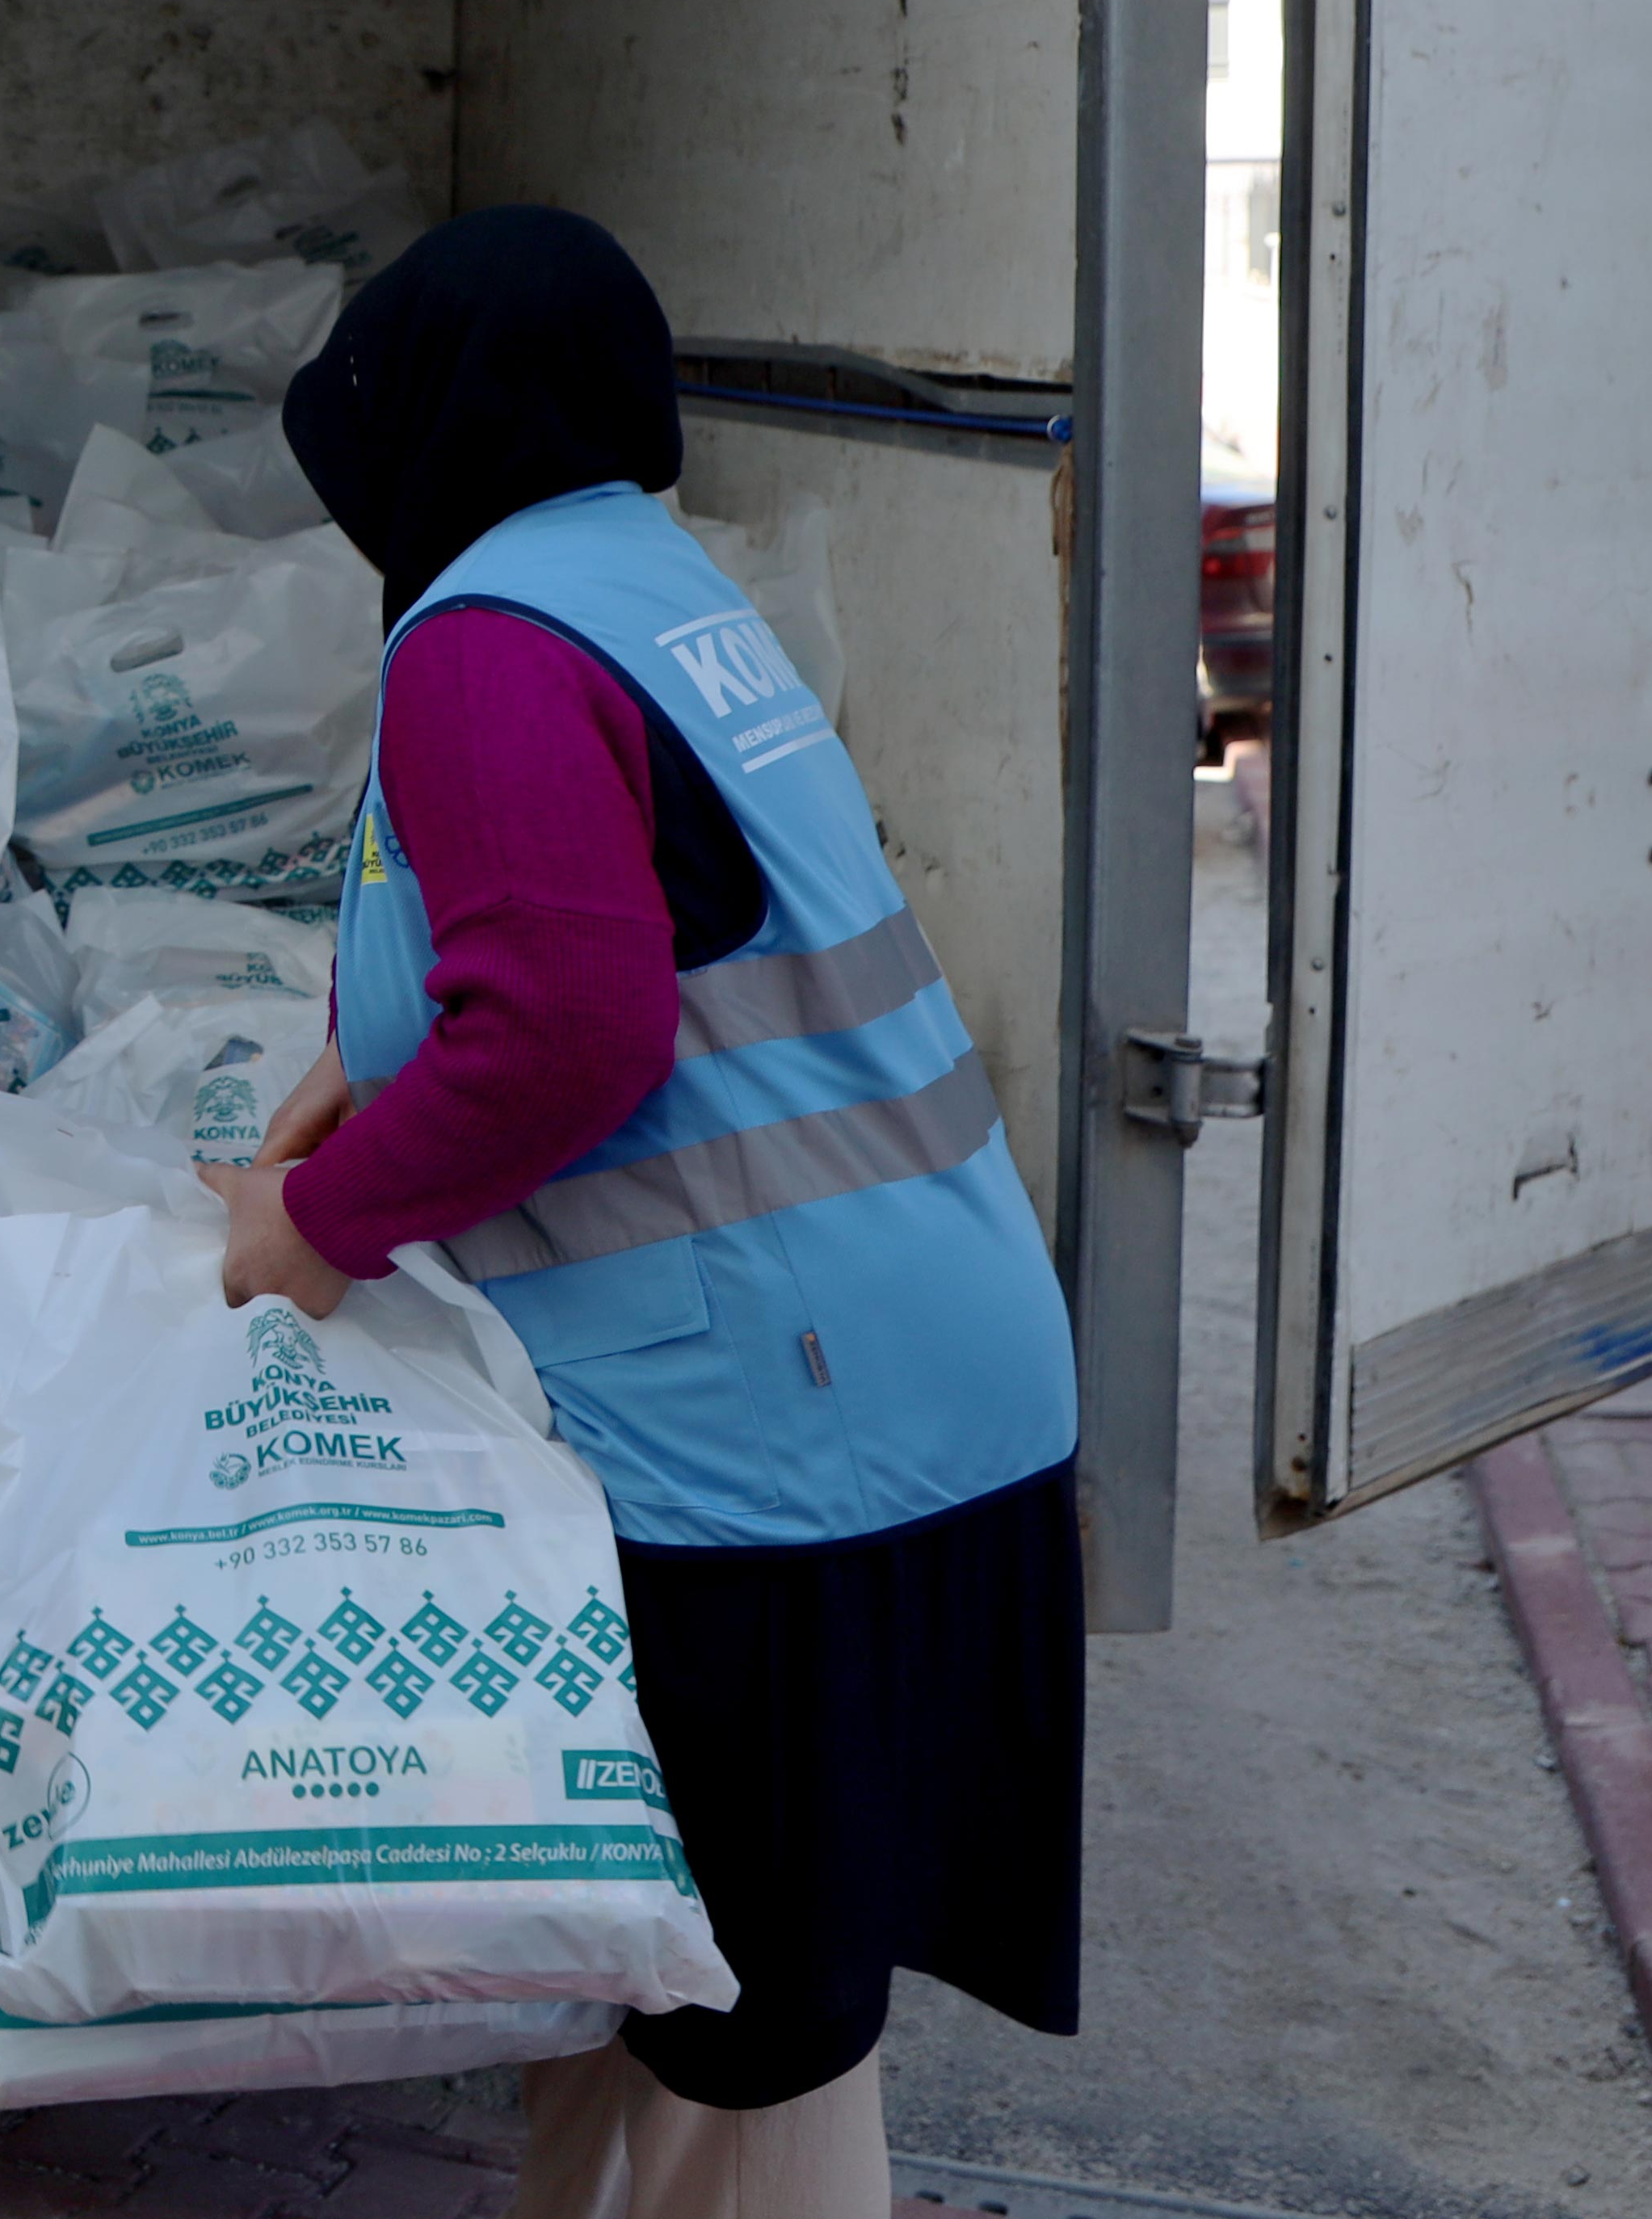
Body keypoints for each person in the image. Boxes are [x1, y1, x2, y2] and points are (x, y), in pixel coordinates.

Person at [214, 205, 1085, 2219]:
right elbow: (648, 938)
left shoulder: (486, 648)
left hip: (790, 1439)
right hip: (907, 1369)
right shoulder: (642, 582)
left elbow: (575, 1029)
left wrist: (321, 1223)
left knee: (730, 2037)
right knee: (677, 2027)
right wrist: (391, 1047)